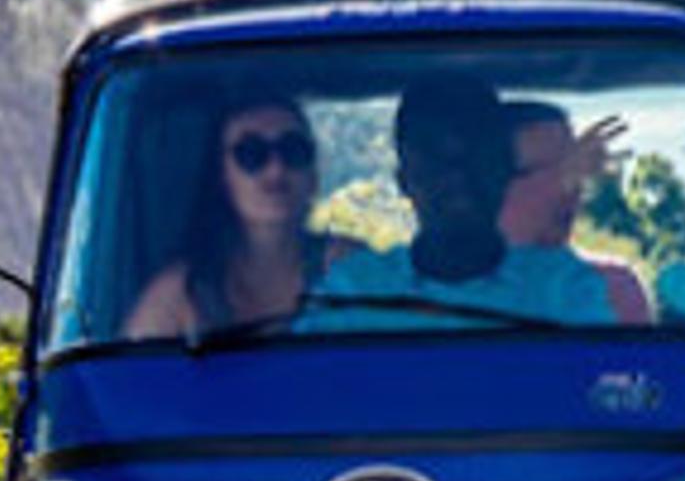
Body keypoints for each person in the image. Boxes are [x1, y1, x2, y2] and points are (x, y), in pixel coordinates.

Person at [312, 75, 622, 326]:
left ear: (503, 171)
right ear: (404, 179)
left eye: (476, 157)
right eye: (435, 159)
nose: (458, 177)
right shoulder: (354, 289)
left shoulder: (564, 287)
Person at [123, 91, 327, 338]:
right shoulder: (178, 296)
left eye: (293, 151)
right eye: (251, 154)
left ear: (313, 176)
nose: (276, 170)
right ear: (222, 177)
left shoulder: (353, 271)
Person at [500, 101, 654, 326]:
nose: (571, 189)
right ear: (491, 185)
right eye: (547, 173)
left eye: (581, 170)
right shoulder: (446, 291)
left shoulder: (614, 287)